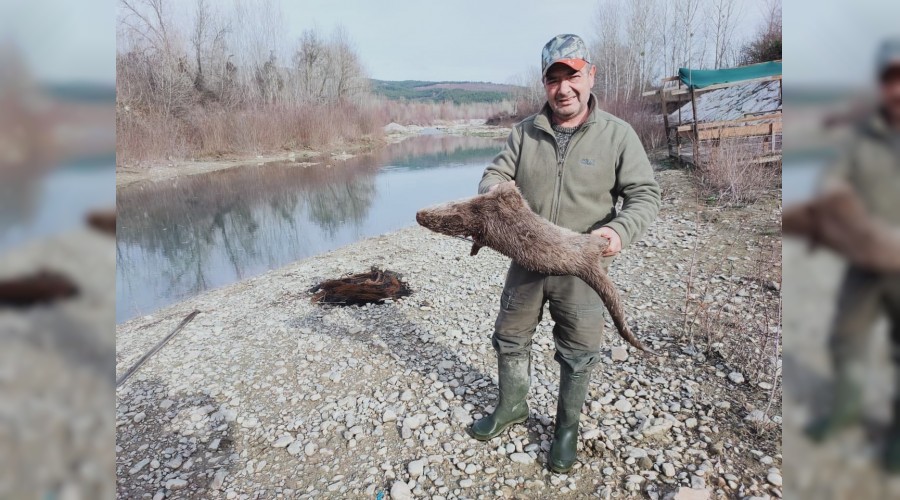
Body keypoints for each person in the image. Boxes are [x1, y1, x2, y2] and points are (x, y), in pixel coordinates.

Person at [469, 34, 660, 473]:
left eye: (571, 76)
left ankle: (566, 428)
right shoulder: (524, 132)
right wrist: (496, 192)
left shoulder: (618, 135)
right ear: (545, 85)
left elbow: (645, 195)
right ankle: (512, 406)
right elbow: (494, 172)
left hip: (583, 264)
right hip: (527, 258)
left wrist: (618, 232)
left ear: (590, 76)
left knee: (579, 350)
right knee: (510, 337)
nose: (563, 88)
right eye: (553, 79)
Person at [805, 38, 900, 471]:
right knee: (846, 336)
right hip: (865, 259)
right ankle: (846, 408)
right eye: (890, 79)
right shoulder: (862, 135)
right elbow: (832, 182)